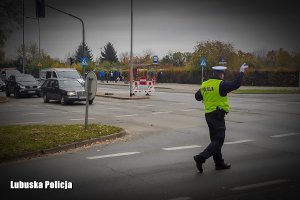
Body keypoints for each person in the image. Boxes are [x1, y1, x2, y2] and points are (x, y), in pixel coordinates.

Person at [194, 63, 249, 173]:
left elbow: (197, 97)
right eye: (223, 74)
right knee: (219, 140)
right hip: (217, 115)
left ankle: (219, 163)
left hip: (208, 115)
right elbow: (236, 84)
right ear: (221, 75)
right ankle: (201, 157)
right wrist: (241, 71)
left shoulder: (205, 84)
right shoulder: (221, 84)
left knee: (215, 140)